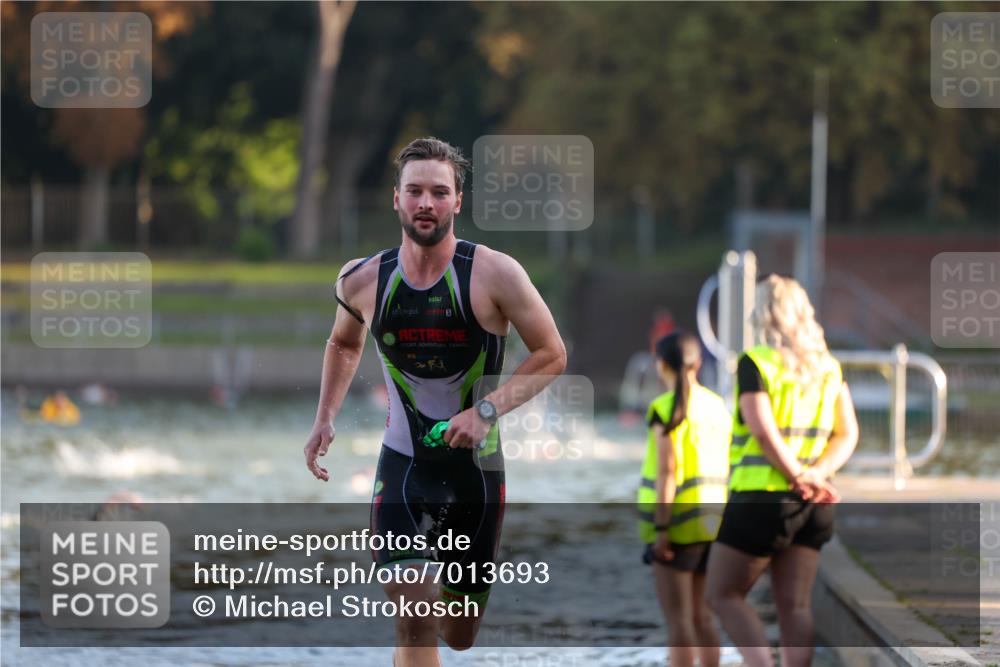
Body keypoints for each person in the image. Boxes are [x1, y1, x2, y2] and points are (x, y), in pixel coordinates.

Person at [303, 137, 567, 667]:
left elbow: (552, 353)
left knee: (458, 634)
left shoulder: (495, 274)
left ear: (458, 202)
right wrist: (325, 416)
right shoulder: (361, 280)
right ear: (395, 199)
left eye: (439, 193)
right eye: (416, 191)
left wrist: (486, 411)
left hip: (475, 472)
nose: (427, 203)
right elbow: (343, 342)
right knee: (414, 614)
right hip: (403, 464)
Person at [705, 275, 859, 667]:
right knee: (796, 606)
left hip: (762, 500)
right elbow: (848, 433)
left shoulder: (755, 361)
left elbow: (761, 427)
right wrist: (816, 475)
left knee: (721, 594)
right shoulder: (828, 367)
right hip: (814, 504)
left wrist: (796, 474)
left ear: (763, 315)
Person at [637, 331, 730, 667]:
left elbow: (667, 473)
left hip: (676, 526)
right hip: (714, 524)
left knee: (679, 620)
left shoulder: (664, 408)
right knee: (705, 617)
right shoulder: (717, 406)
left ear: (662, 365)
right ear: (698, 362)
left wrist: (662, 530)